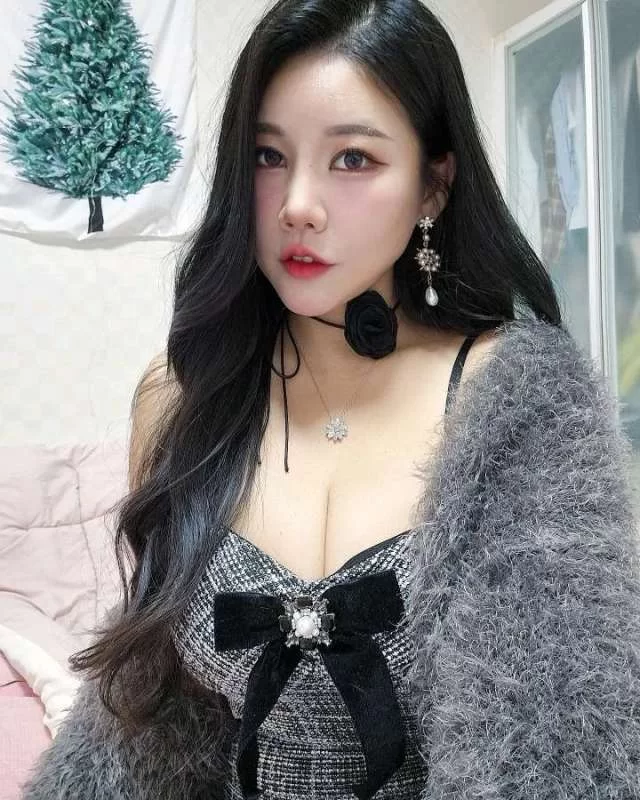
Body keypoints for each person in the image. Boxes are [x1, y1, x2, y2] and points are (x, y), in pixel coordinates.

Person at [21, 0, 640, 798]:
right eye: (268, 156)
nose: (297, 204)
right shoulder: (180, 397)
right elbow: (144, 717)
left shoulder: (519, 405)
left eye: (352, 158)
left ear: (433, 186)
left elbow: (558, 747)